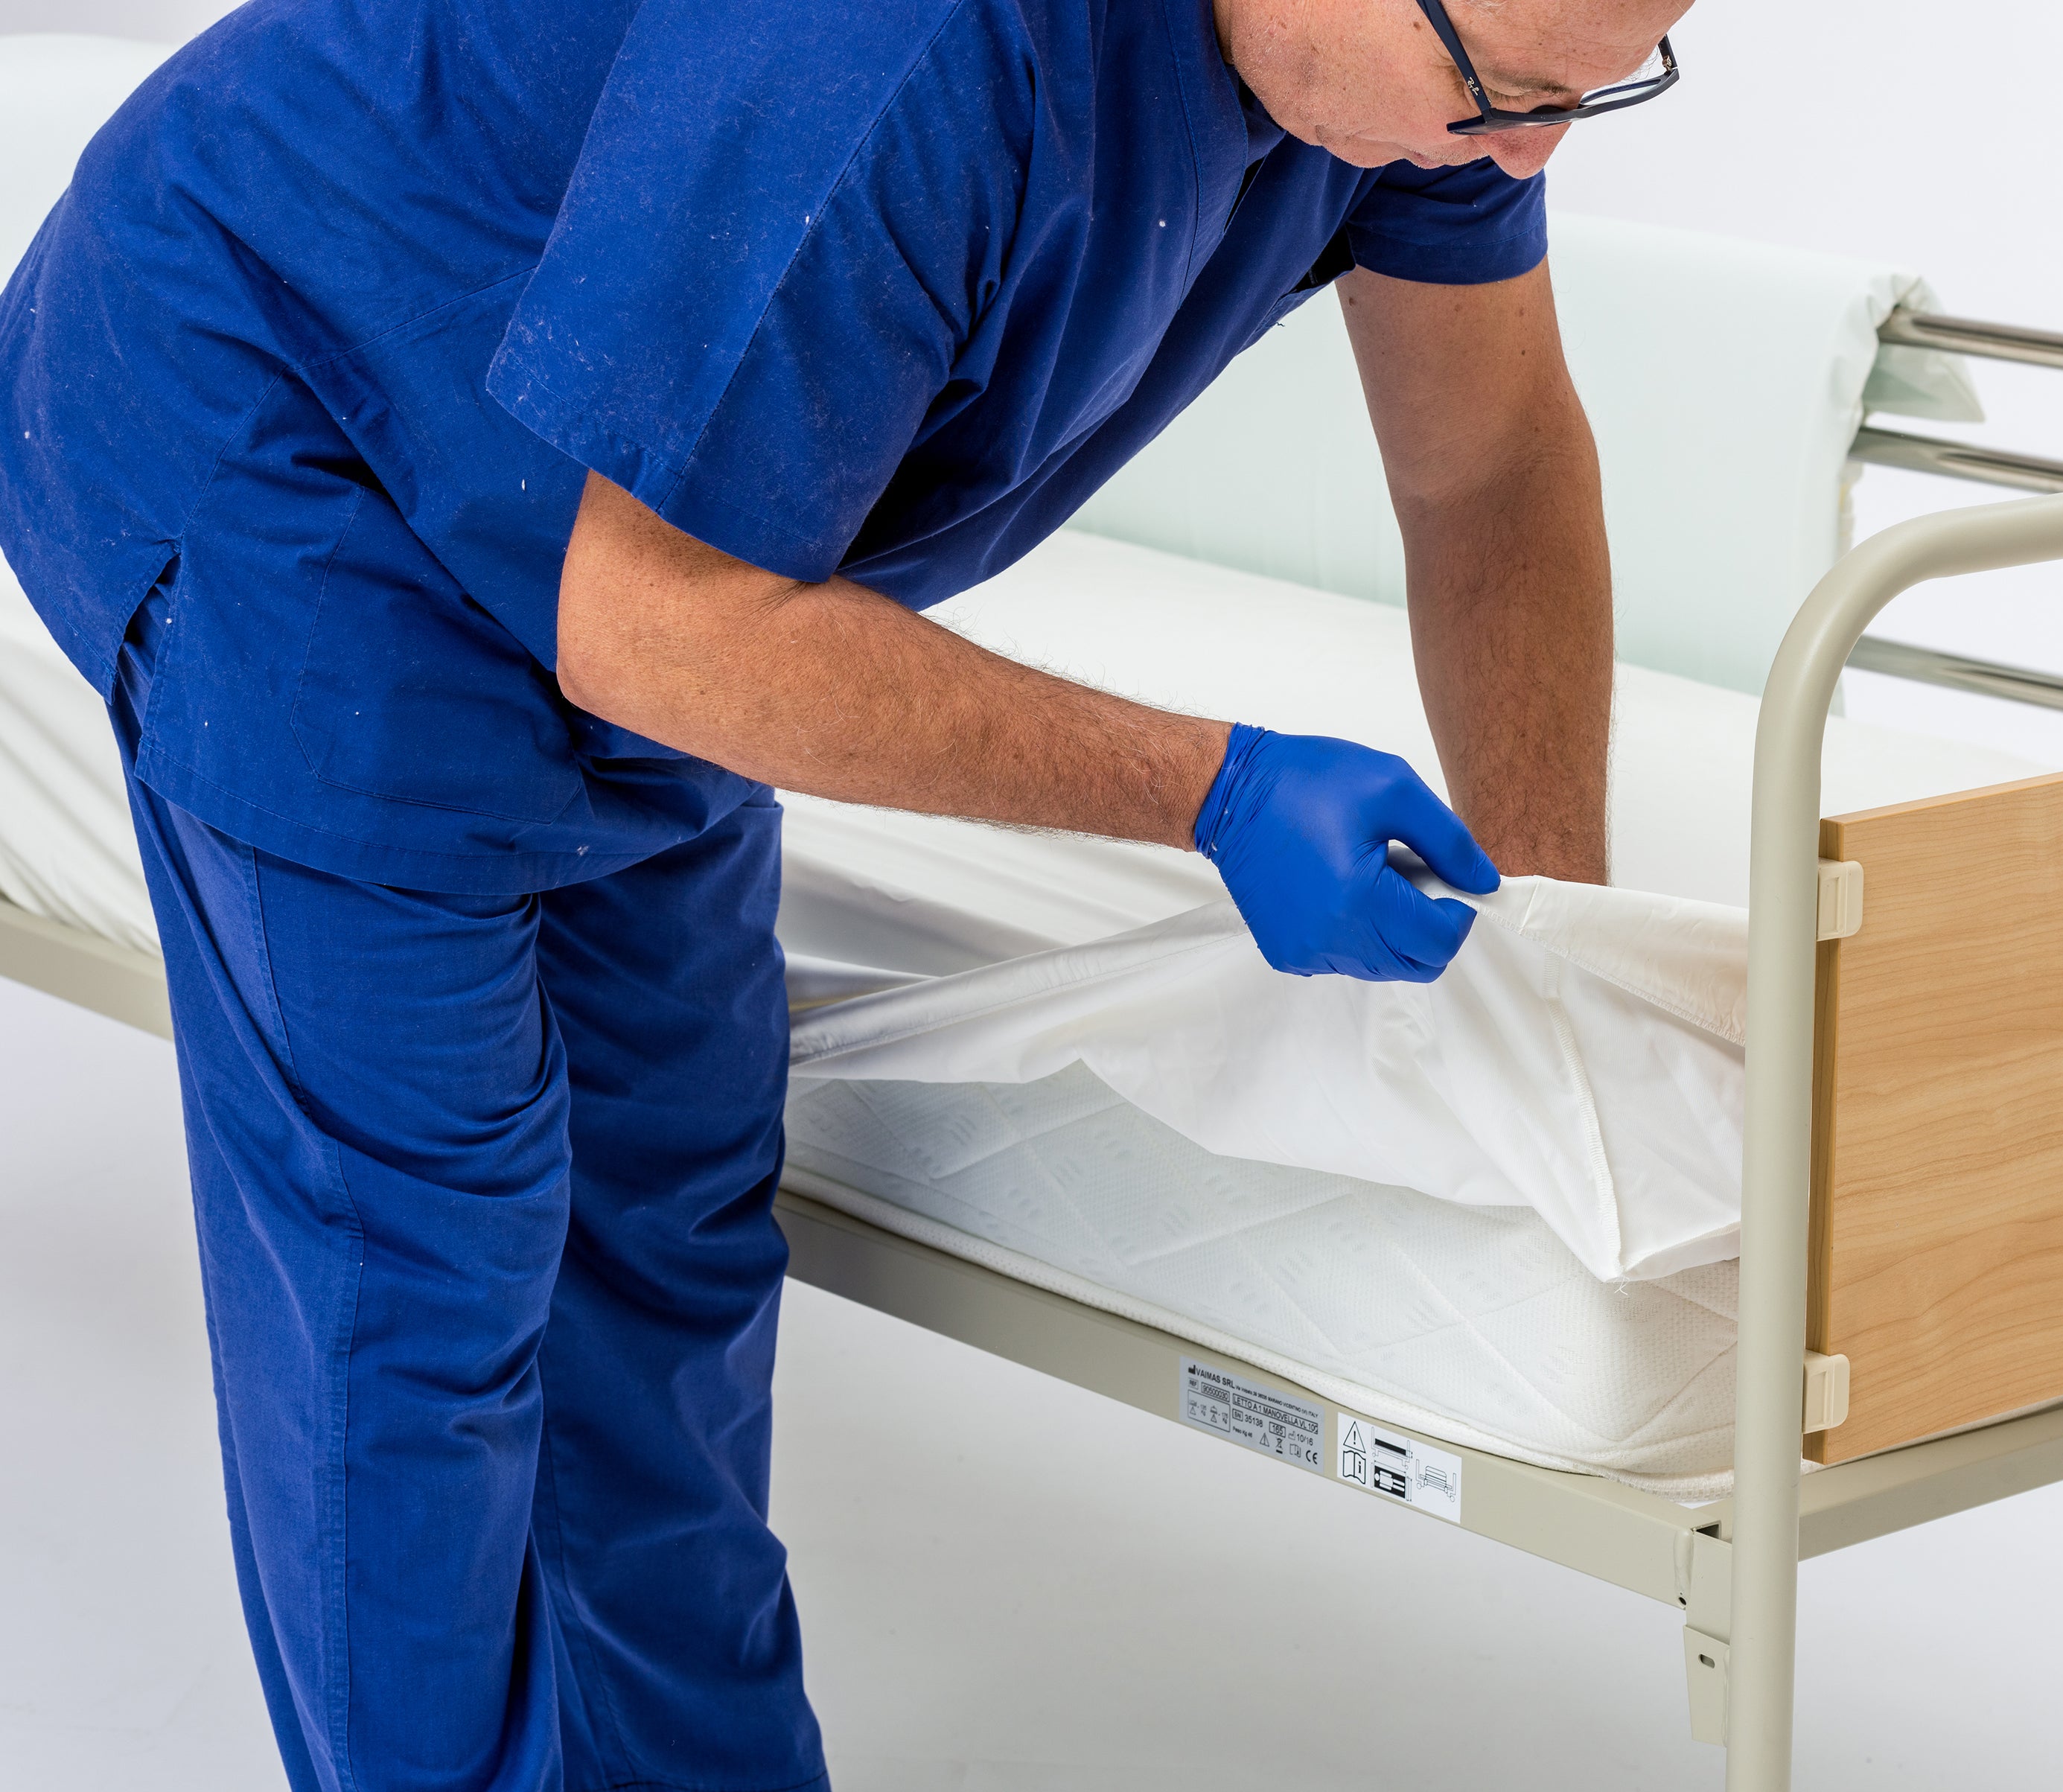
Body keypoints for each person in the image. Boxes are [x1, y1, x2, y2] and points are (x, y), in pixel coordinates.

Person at [0, 0, 1686, 1784]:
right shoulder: (906, 48)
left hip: (641, 511)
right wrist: (1210, 787)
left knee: (665, 1236)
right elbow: (661, 628)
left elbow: (1490, 463)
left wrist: (1554, 954)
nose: (1531, 149)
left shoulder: (1433, 83)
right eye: (1508, 91)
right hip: (291, 430)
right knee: (420, 1283)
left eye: (1599, 89)